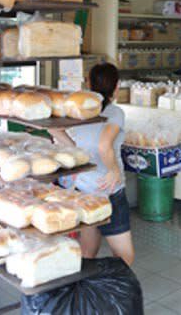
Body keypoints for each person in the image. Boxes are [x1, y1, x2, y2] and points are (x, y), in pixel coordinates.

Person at [49, 63, 134, 266]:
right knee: (125, 256)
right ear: (117, 86)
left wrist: (62, 136)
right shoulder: (115, 112)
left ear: (88, 83)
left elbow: (64, 139)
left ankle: (86, 292)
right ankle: (115, 293)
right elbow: (104, 145)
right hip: (107, 190)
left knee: (87, 252)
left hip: (83, 188)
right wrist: (113, 170)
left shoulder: (81, 111)